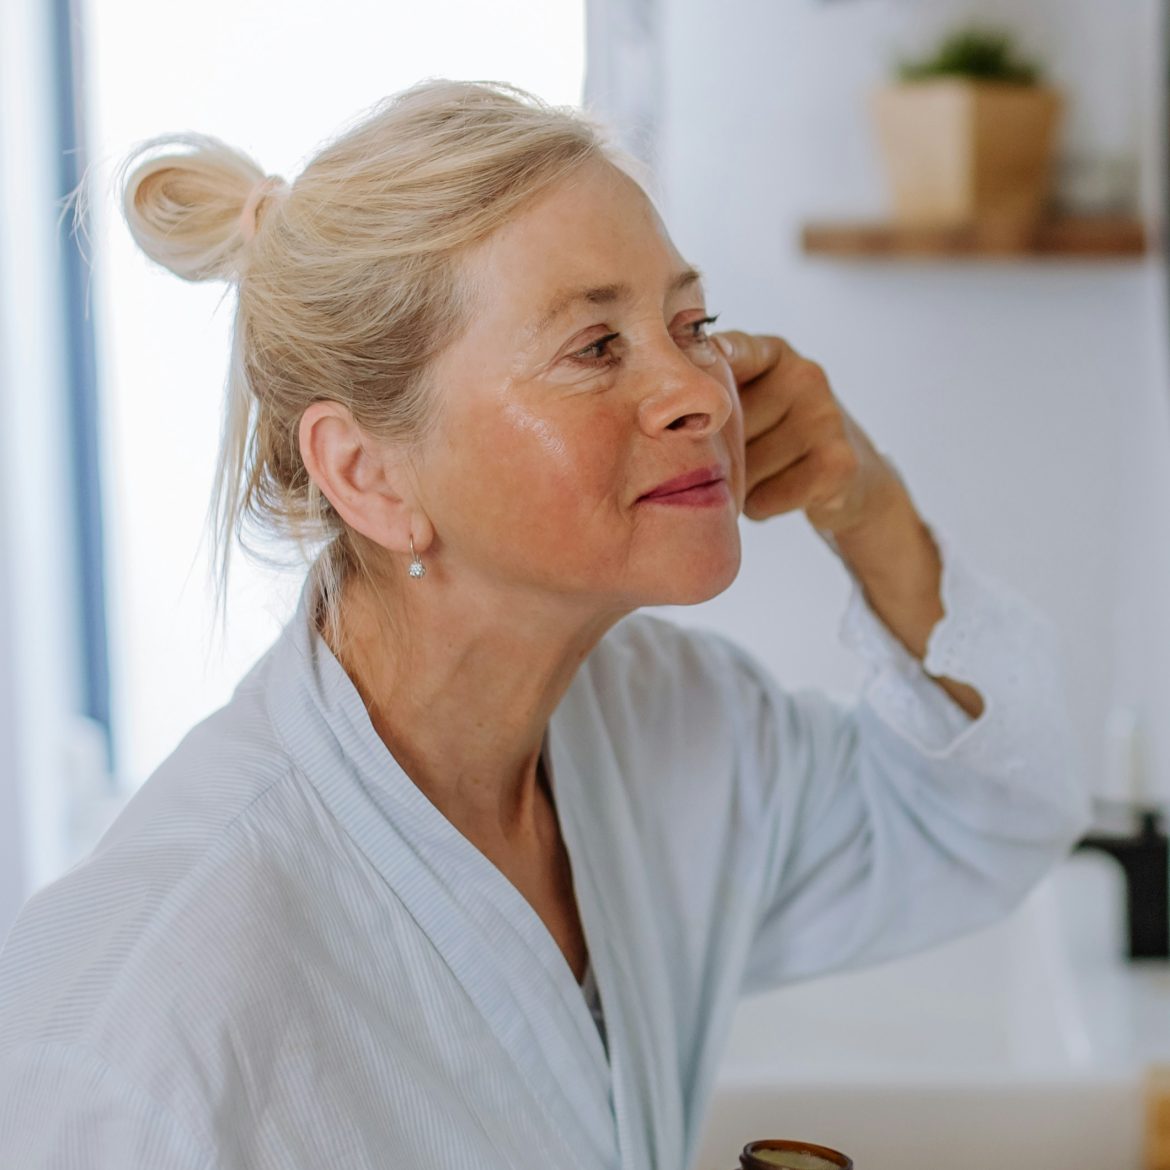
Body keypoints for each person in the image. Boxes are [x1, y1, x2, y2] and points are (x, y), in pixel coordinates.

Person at [0, 78, 1090, 1170]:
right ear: (367, 473)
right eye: (595, 348)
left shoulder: (663, 725)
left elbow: (988, 819)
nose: (702, 395)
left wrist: (865, 502)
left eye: (691, 324)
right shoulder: (151, 1004)